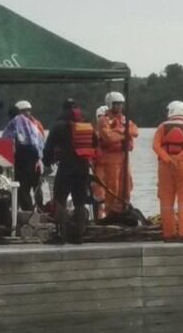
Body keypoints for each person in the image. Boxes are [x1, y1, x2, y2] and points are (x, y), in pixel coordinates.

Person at [43, 99, 98, 245]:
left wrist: (46, 162)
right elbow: (96, 142)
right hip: (83, 166)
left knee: (60, 199)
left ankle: (60, 234)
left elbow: (48, 147)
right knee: (80, 201)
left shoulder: (59, 124)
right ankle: (79, 235)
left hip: (66, 166)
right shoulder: (86, 123)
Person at [153, 100, 183, 243]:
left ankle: (168, 234)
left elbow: (156, 146)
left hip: (165, 165)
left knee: (166, 200)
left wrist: (168, 159)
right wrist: (179, 158)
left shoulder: (162, 127)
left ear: (171, 111)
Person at [97, 91, 138, 219]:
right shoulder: (103, 120)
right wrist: (124, 134)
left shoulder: (125, 119)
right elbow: (108, 137)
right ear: (110, 104)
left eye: (120, 104)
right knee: (112, 185)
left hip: (123, 156)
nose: (119, 107)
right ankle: (110, 213)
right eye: (116, 104)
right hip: (110, 156)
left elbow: (135, 131)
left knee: (127, 184)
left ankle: (124, 210)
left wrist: (119, 133)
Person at [1, 100, 46, 211]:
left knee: (22, 190)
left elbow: (6, 140)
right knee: (37, 189)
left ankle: (28, 214)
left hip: (22, 161)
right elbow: (41, 141)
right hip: (36, 161)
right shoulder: (35, 124)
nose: (27, 113)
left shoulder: (13, 123)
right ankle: (41, 211)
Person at [91, 105, 109, 220]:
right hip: (97, 167)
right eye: (100, 116)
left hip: (112, 166)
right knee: (98, 194)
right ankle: (99, 217)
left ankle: (109, 215)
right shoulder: (93, 133)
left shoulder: (115, 130)